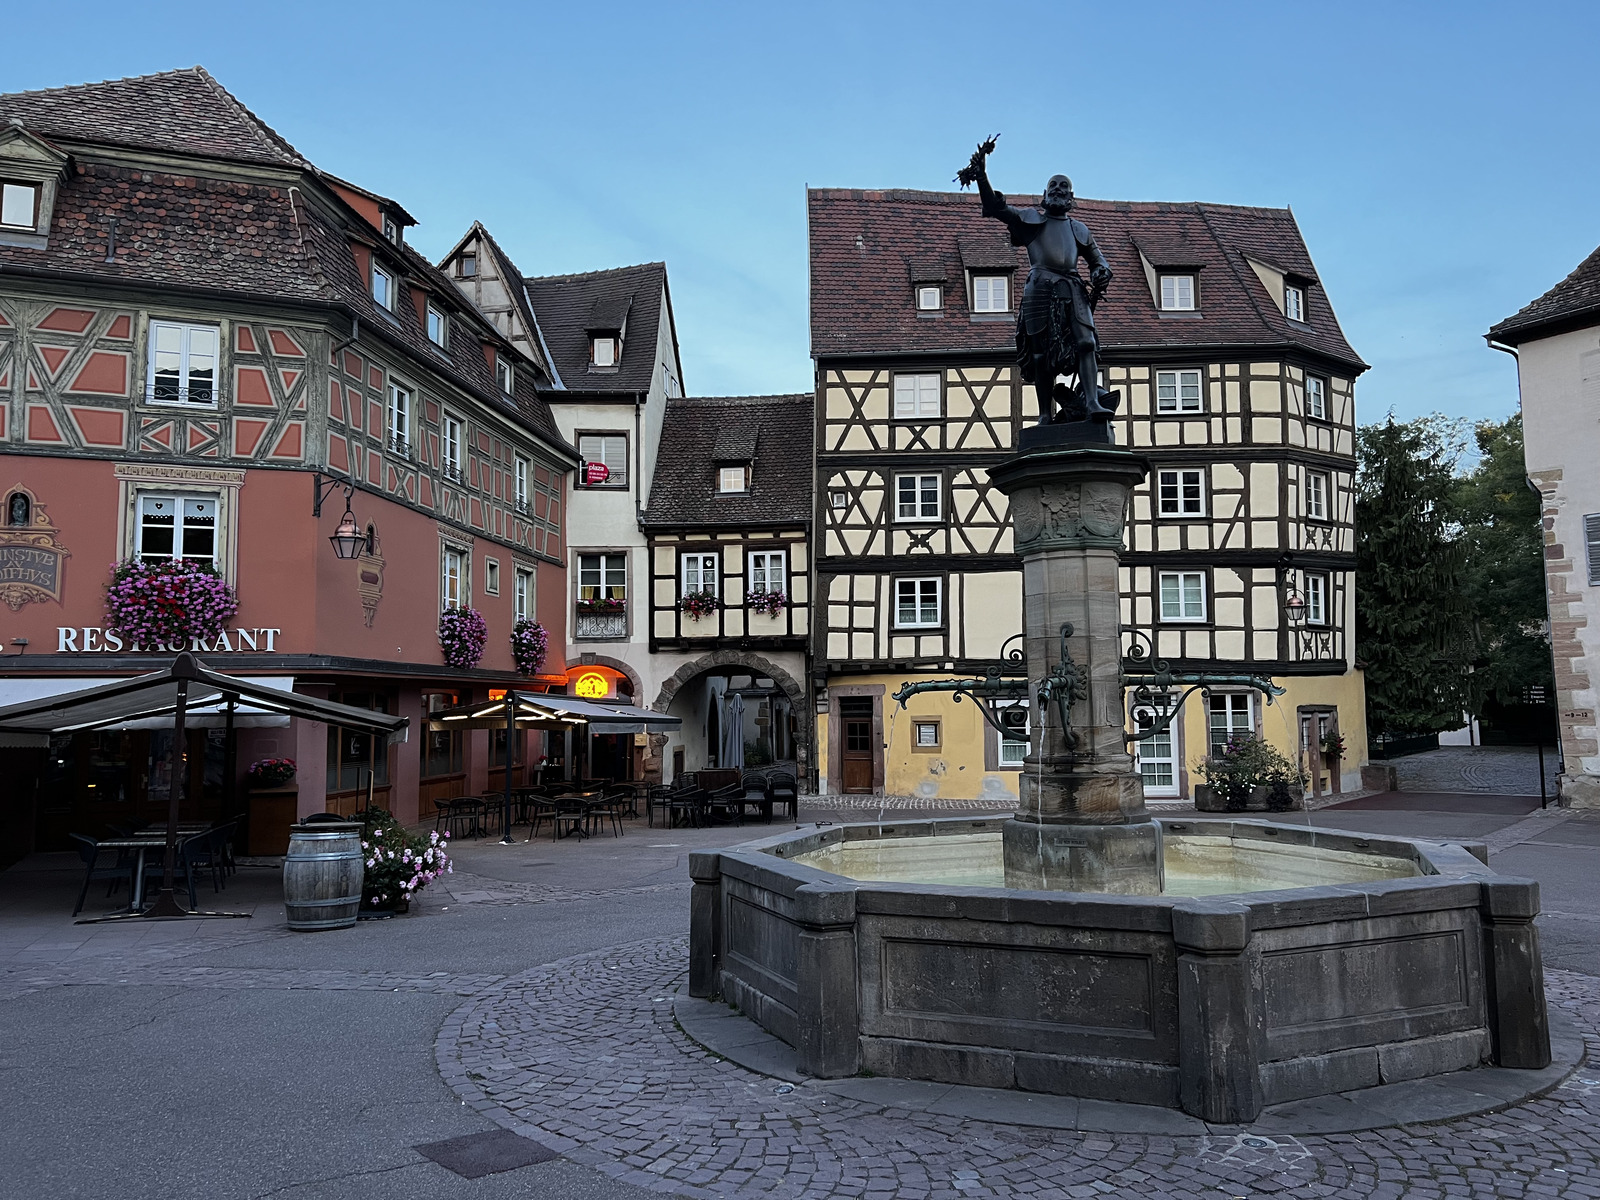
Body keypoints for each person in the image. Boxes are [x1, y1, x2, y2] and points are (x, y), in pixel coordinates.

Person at [965, 141, 1117, 425]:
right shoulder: (1031, 220)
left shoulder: (1079, 229)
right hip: (1040, 288)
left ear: (1071, 196)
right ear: (1044, 194)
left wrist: (1101, 274)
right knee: (1040, 355)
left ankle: (1093, 402)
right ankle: (1045, 415)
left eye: (1064, 186)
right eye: (1053, 185)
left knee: (1086, 343)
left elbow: (1100, 261)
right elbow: (996, 208)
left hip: (1073, 289)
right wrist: (982, 178)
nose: (1058, 189)